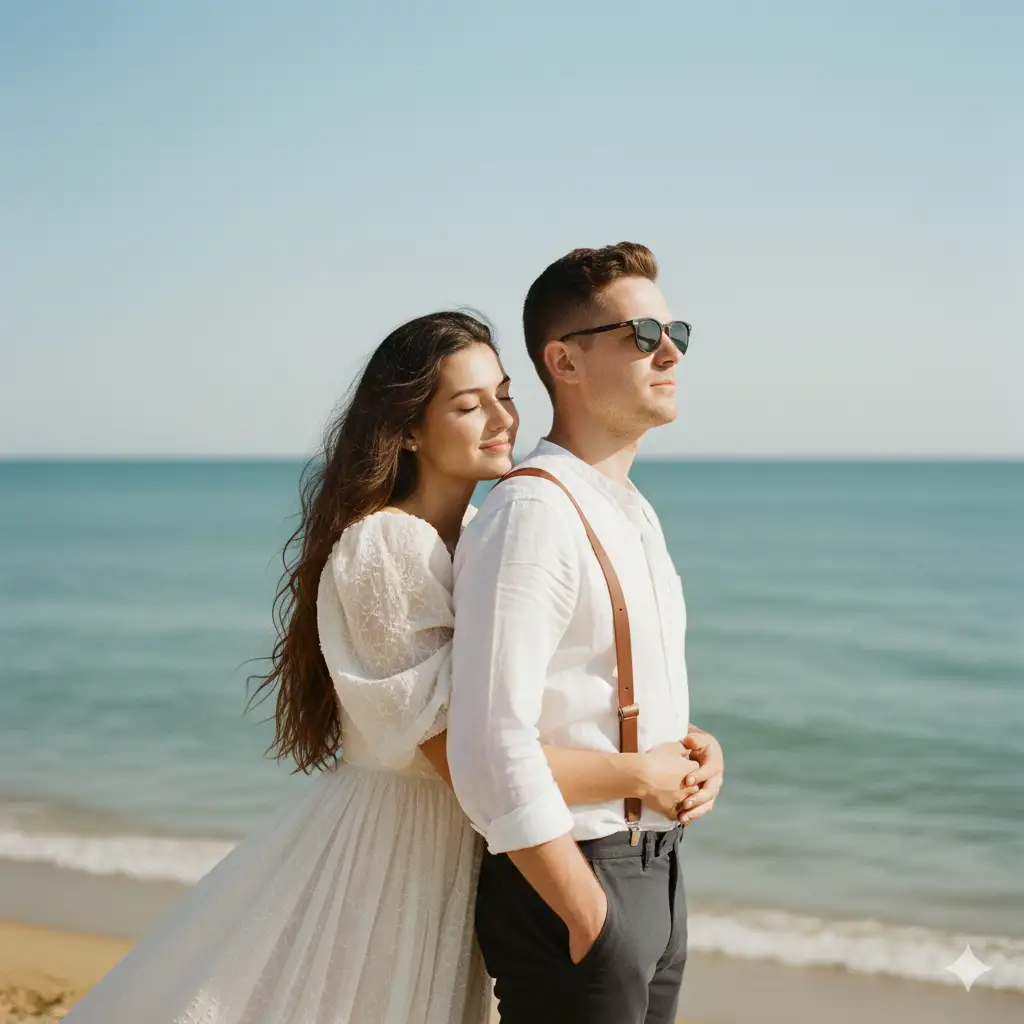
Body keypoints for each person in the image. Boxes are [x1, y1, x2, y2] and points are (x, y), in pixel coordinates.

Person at [64, 310, 717, 1024]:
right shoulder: (384, 547)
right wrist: (635, 773)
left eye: (503, 393)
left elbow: (539, 698)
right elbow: (458, 752)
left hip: (469, 849)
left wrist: (679, 743)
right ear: (406, 429)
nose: (502, 418)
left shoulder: (474, 535)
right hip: (394, 856)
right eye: (469, 406)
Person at [448, 243, 722, 1024]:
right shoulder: (532, 514)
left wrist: (698, 748)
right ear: (564, 362)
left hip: (657, 872)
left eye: (677, 334)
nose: (668, 351)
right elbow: (487, 747)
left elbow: (591, 694)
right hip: (585, 877)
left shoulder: (629, 509)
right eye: (641, 335)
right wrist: (585, 914)